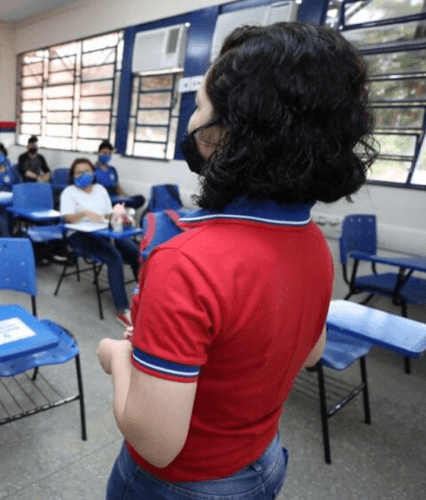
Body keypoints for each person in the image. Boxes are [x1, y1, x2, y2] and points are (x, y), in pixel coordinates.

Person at [98, 23, 374, 500]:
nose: (192, 119)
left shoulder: (186, 261)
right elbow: (308, 352)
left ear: (226, 134)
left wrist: (120, 356)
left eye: (200, 106)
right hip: (262, 464)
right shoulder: (310, 241)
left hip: (181, 486)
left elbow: (156, 443)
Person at [59, 158, 138, 328]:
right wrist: (85, 212)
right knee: (114, 257)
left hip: (103, 231)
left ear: (93, 173)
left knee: (135, 251)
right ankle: (123, 310)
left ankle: (145, 298)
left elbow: (109, 215)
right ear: (72, 175)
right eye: (78, 172)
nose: (83, 175)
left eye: (86, 171)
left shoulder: (100, 189)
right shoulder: (69, 192)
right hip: (81, 235)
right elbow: (67, 217)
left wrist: (122, 218)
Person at [94, 141, 145, 210]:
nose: (107, 156)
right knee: (130, 202)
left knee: (140, 198)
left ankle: (123, 205)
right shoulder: (93, 170)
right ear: (98, 152)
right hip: (104, 200)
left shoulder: (112, 170)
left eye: (109, 154)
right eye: (104, 153)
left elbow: (117, 188)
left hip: (116, 198)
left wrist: (125, 197)